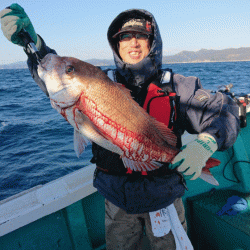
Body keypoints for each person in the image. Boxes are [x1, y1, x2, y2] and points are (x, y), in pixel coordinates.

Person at [0, 4, 240, 250]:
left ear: (152, 42)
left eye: (141, 36)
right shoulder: (96, 81)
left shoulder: (178, 86)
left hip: (164, 198)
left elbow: (223, 109)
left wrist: (208, 141)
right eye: (125, 36)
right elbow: (54, 78)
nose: (133, 43)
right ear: (116, 45)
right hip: (116, 199)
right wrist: (33, 45)